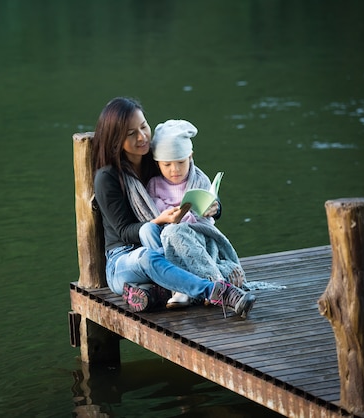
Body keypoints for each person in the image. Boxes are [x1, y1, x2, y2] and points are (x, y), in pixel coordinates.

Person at [91, 96, 256, 318]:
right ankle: (218, 291)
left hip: (164, 247)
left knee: (169, 242)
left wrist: (214, 207)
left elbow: (192, 185)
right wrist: (159, 221)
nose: (142, 137)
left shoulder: (158, 159)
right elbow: (124, 232)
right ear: (115, 139)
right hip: (124, 260)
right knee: (149, 244)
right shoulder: (108, 177)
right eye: (131, 134)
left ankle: (155, 291)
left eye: (143, 127)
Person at [144, 119, 248, 308]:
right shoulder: (154, 185)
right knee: (170, 233)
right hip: (169, 244)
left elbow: (206, 213)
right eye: (167, 164)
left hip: (200, 238)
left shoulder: (199, 179)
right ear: (157, 162)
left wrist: (211, 208)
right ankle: (215, 281)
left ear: (190, 156)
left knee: (174, 232)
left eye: (181, 162)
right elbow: (155, 213)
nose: (174, 170)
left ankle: (203, 286)